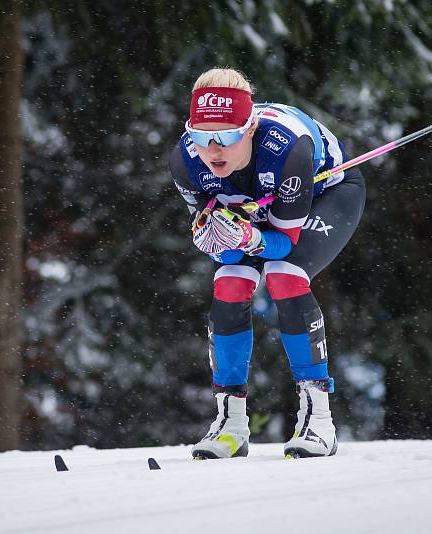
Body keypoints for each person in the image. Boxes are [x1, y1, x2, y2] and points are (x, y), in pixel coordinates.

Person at [168, 67, 366, 459]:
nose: (213, 151)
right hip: (257, 210)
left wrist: (247, 236)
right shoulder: (185, 162)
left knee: (284, 274)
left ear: (251, 127)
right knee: (229, 281)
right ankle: (231, 423)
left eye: (225, 137)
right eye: (202, 137)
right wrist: (218, 241)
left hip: (329, 192)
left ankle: (318, 419)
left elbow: (280, 245)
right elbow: (221, 249)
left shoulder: (288, 149)